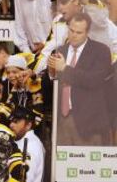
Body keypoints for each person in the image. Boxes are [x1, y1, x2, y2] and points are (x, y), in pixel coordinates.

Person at [47, 11, 113, 145]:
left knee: (89, 165)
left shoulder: (101, 51)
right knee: (62, 165)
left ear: (87, 32)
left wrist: (65, 69)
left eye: (79, 33)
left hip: (89, 123)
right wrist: (51, 72)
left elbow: (94, 80)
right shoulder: (60, 50)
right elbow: (51, 86)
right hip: (62, 120)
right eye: (71, 30)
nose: (73, 35)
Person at [9, 106, 45, 182]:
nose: (11, 125)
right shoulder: (19, 140)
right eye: (11, 121)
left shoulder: (31, 145)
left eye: (16, 122)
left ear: (29, 125)